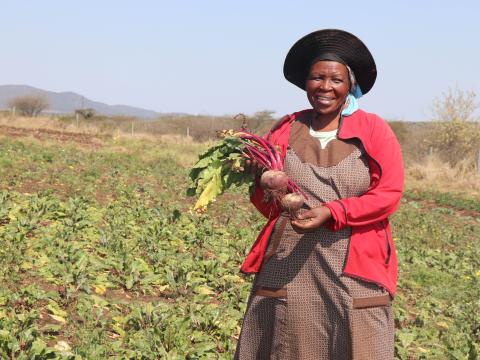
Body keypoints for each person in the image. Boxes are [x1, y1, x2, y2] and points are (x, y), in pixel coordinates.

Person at [235, 29, 404, 359]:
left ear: (349, 85)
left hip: (352, 263)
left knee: (358, 338)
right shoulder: (286, 127)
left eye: (335, 79)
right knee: (284, 341)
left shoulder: (373, 129)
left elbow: (389, 194)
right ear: (306, 82)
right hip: (289, 256)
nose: (325, 87)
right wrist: (262, 182)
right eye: (317, 77)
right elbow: (267, 204)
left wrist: (333, 212)